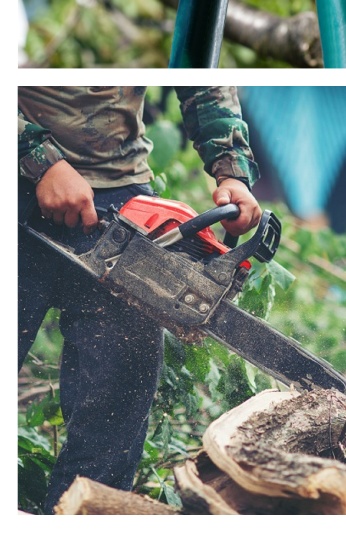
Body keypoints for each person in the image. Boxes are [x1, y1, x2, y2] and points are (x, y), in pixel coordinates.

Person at [18, 86, 262, 513]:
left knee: (113, 418)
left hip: (120, 198)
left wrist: (232, 171)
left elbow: (203, 79)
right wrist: (37, 158)